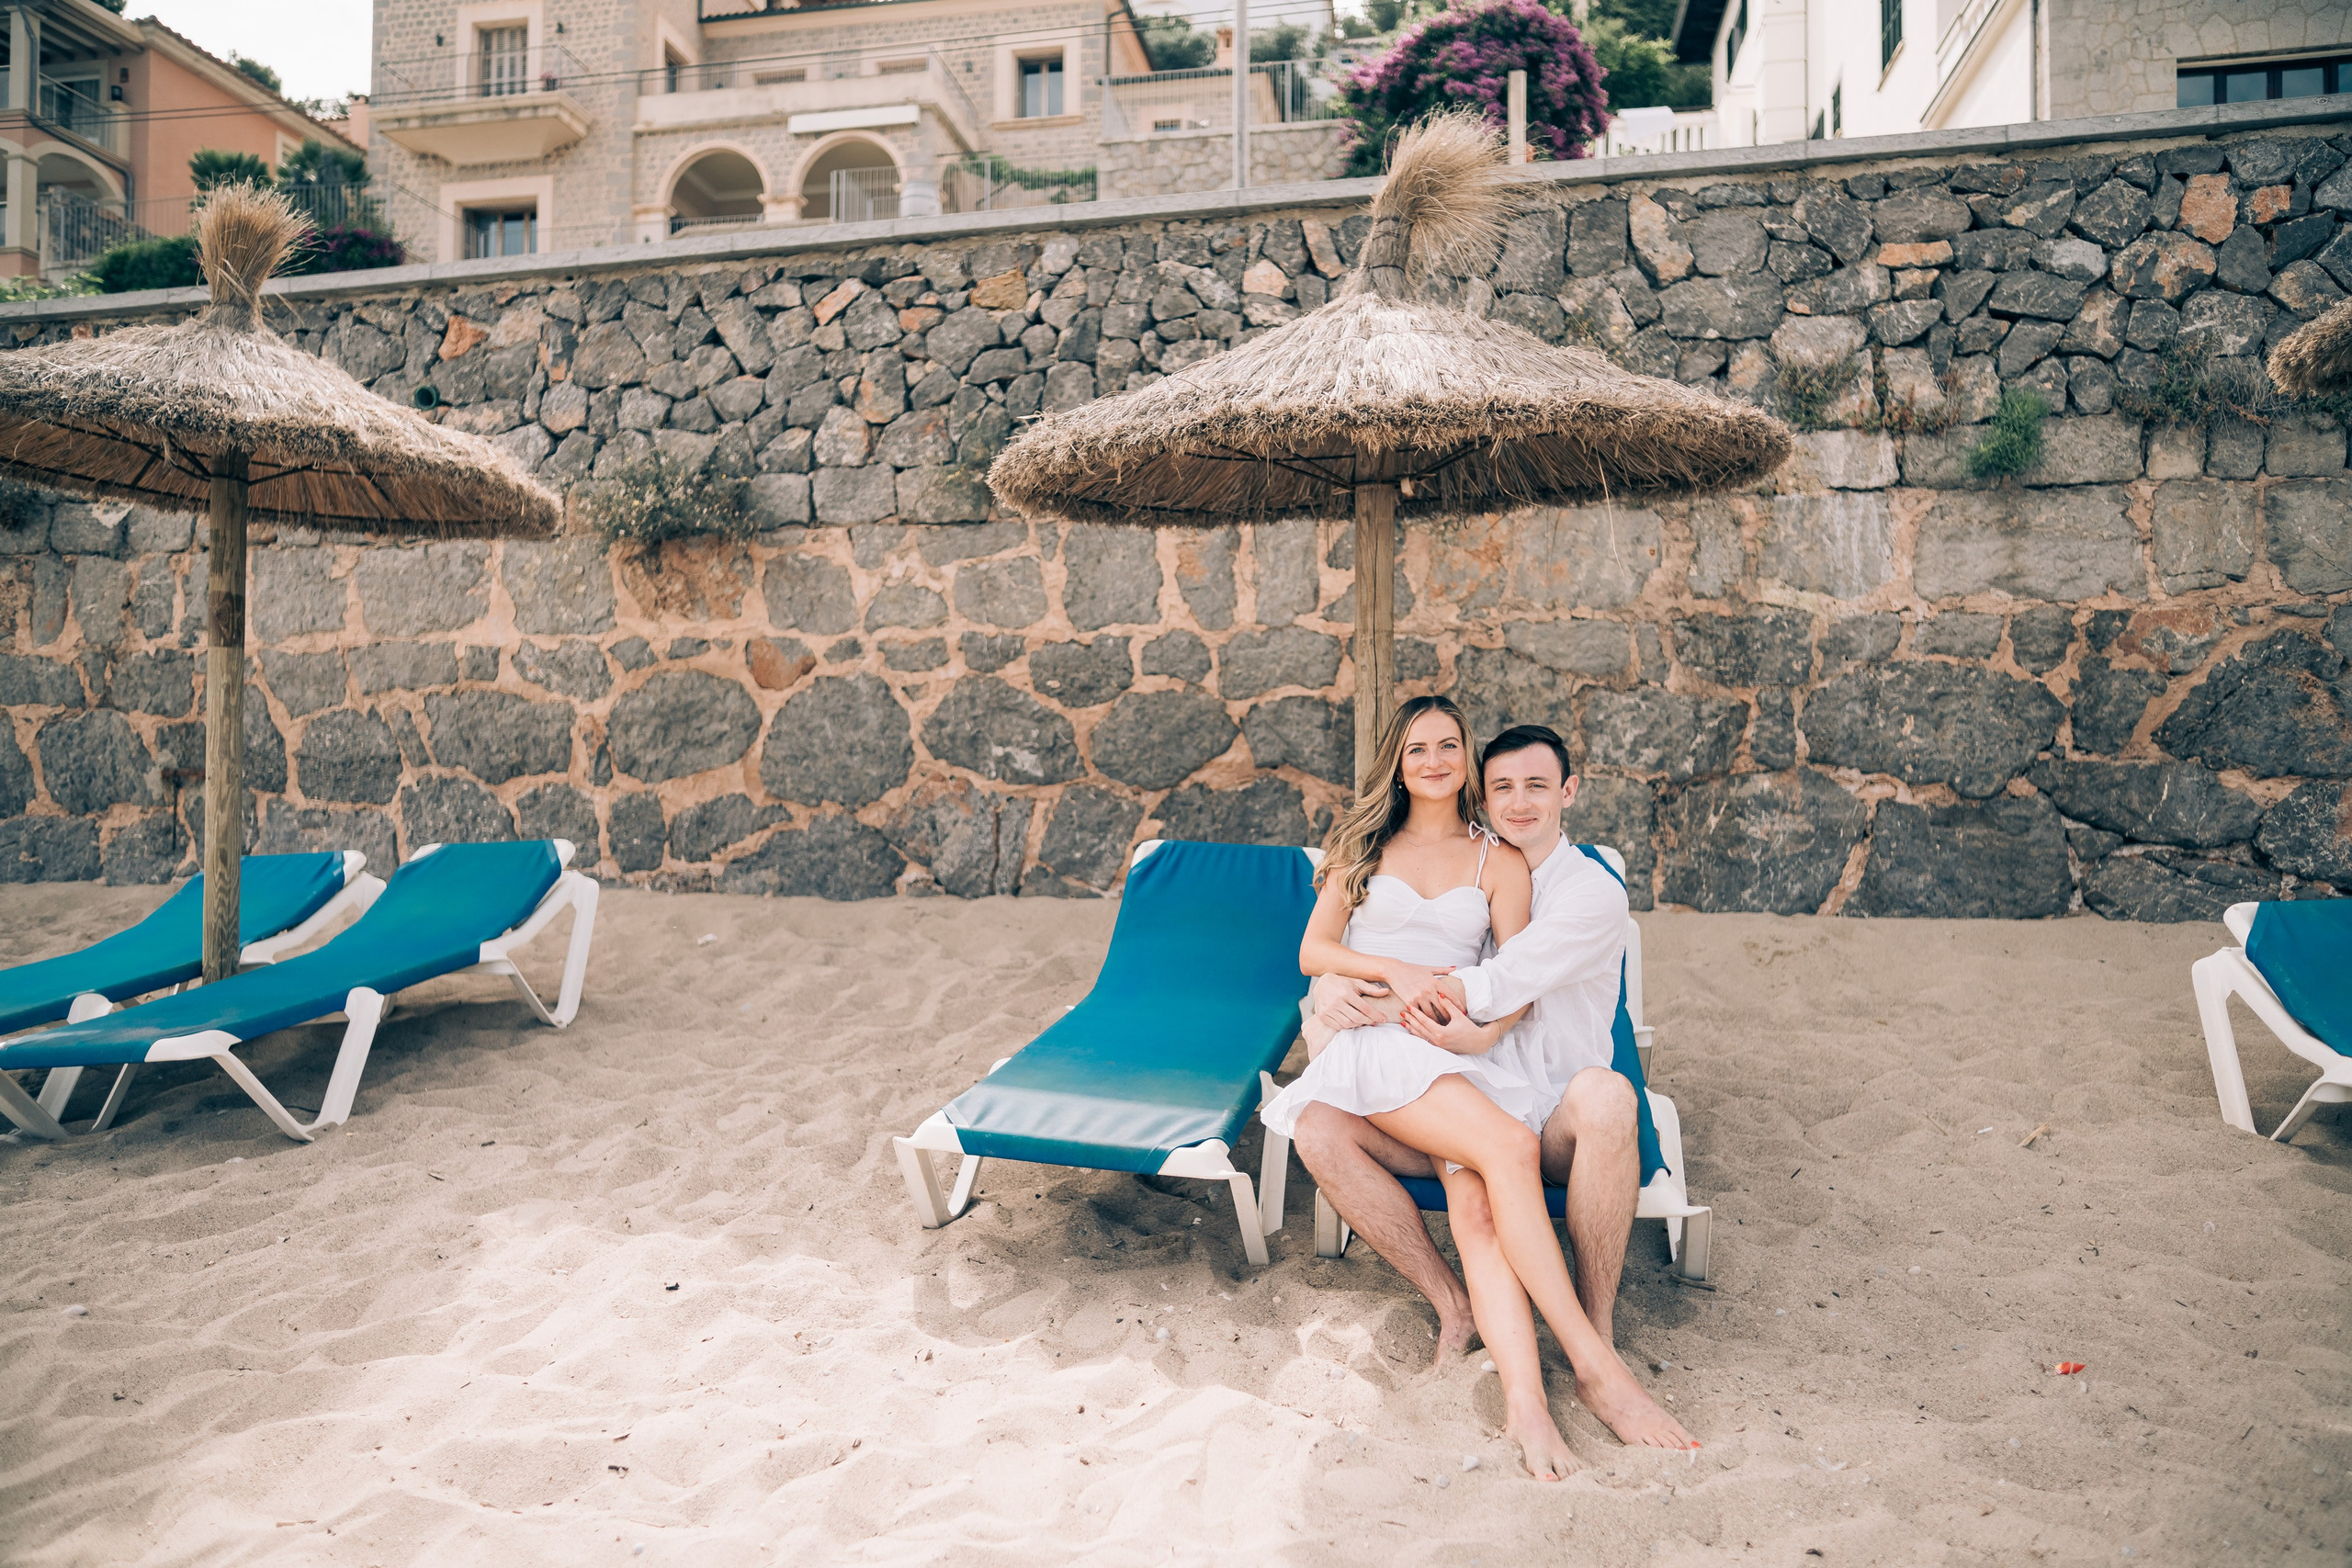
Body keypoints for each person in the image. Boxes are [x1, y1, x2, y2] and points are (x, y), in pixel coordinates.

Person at [1263, 705, 1690, 1480]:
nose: (1433, 759)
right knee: (1505, 1146)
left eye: (1448, 745)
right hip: (1386, 1049)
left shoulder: (1505, 863)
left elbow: (1511, 982)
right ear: (1398, 762)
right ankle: (1592, 1364)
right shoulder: (1363, 846)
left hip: (1459, 1055)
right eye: (1417, 747)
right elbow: (1312, 950)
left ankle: (1529, 1401)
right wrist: (1383, 977)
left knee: (1481, 1199)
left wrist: (1478, 1031)